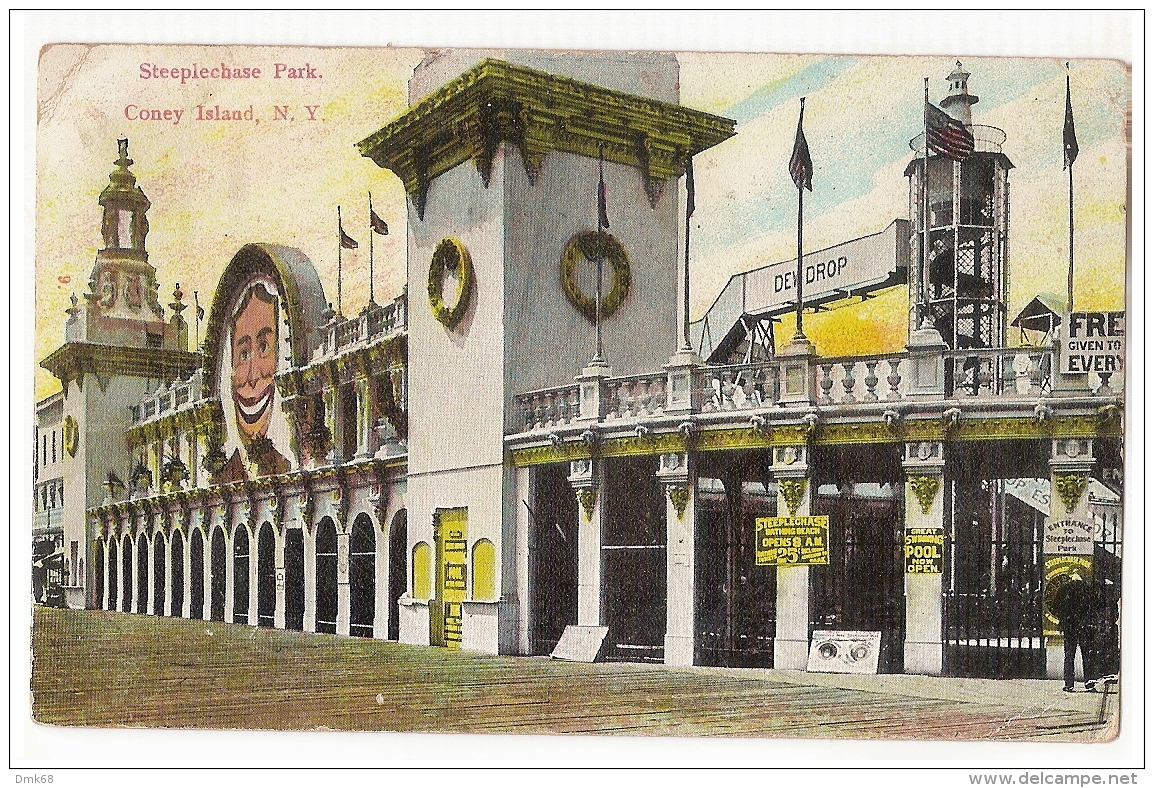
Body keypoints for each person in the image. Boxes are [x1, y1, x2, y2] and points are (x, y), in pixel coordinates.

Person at [1052, 571, 1092, 692]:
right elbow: (1094, 606)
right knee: (1086, 655)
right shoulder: (1087, 588)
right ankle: (1089, 683)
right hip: (1083, 626)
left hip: (1069, 626)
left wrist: (1063, 617)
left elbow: (1054, 606)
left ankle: (1069, 683)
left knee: (1069, 655)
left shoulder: (1063, 588)